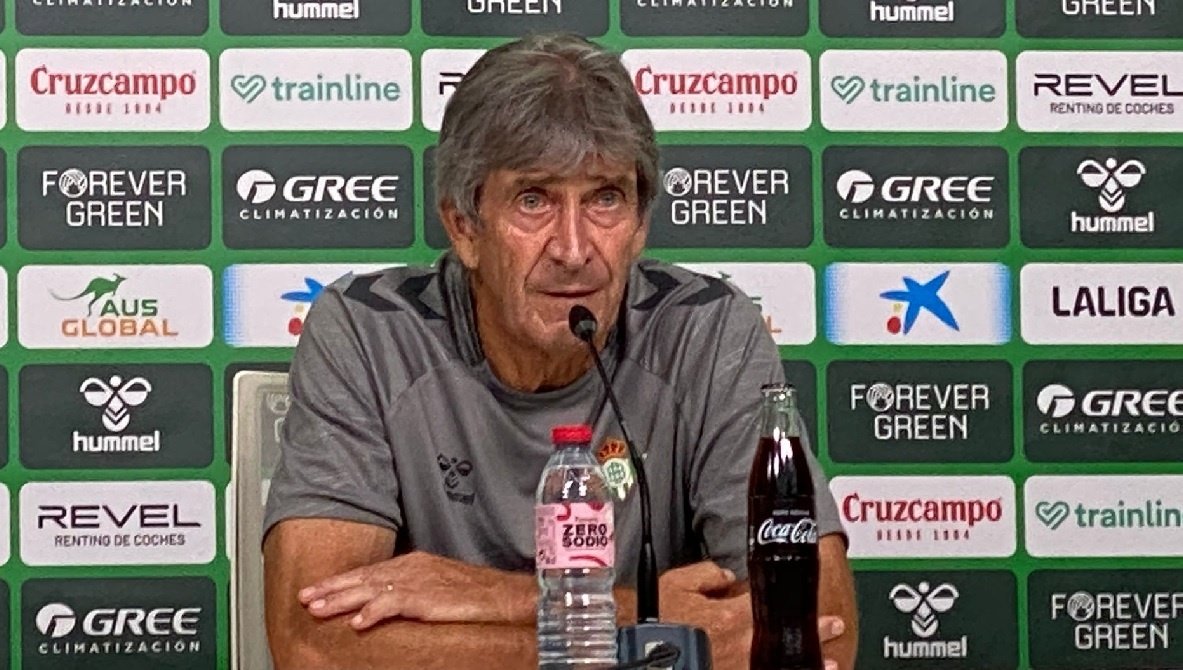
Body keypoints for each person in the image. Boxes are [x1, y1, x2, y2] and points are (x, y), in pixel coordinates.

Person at [262, 33, 858, 670]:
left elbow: (819, 630)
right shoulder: (366, 331)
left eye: (605, 198)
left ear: (640, 224)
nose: (574, 249)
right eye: (534, 199)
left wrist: (488, 597)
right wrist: (651, 623)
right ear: (465, 226)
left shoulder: (708, 330)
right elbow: (314, 644)